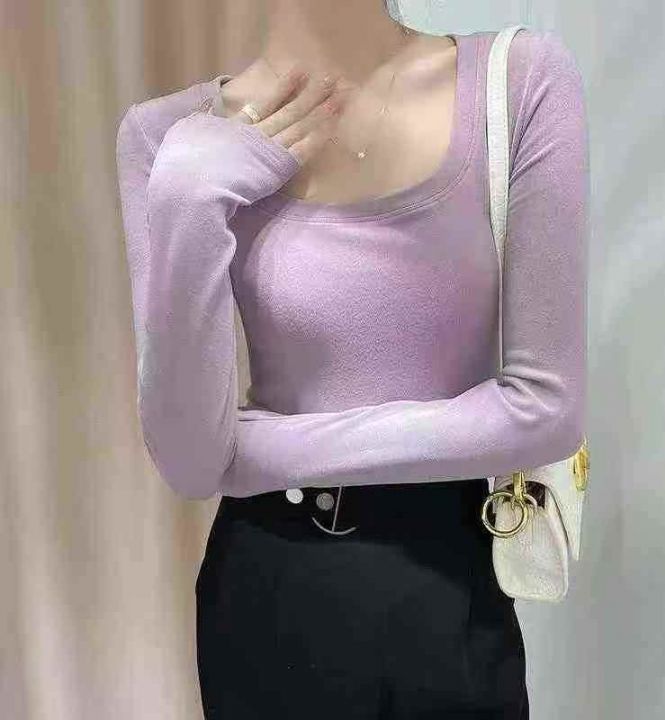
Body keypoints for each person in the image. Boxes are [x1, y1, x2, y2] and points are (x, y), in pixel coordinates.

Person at [115, 1, 588, 717]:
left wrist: (255, 453)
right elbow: (188, 462)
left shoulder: (519, 81)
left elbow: (545, 411)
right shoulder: (166, 139)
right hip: (269, 594)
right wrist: (187, 198)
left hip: (448, 582)